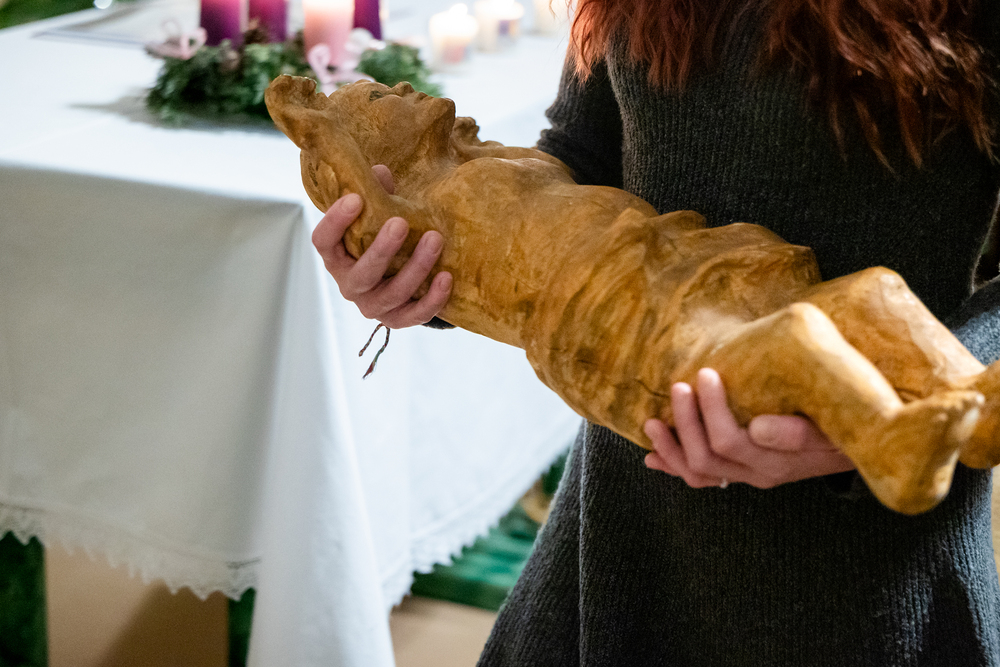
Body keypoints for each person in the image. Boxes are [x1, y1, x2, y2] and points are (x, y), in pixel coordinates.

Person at [311, 0, 1000, 663]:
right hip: (631, 532)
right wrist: (420, 274)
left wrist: (891, 415)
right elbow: (579, 158)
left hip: (871, 570)